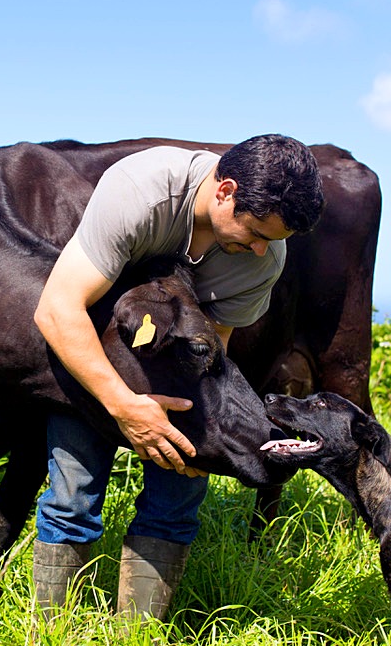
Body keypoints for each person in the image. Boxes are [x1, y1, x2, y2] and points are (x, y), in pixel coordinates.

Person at [31, 133, 325, 620]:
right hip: (94, 352)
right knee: (72, 496)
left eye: (271, 241)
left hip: (179, 375)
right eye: (254, 233)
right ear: (225, 191)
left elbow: (215, 352)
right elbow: (57, 310)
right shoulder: (141, 193)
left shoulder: (265, 259)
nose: (258, 251)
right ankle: (48, 644)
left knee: (175, 501)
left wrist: (201, 430)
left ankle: (137, 644)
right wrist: (124, 405)